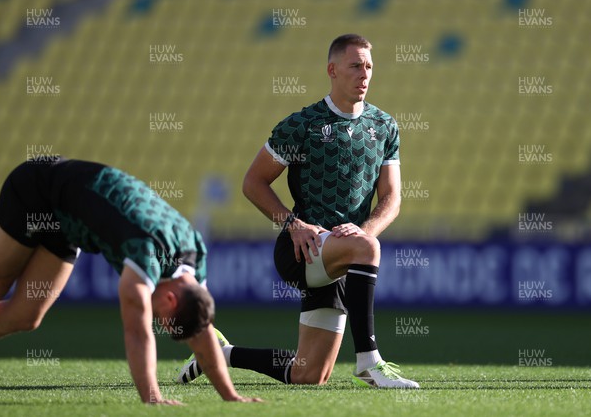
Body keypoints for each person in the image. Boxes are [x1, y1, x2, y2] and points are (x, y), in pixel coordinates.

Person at [177, 34, 419, 389]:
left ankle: (219, 352)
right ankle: (369, 361)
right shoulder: (302, 124)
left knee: (308, 375)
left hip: (342, 256)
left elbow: (392, 199)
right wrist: (292, 224)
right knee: (368, 249)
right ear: (332, 70)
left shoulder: (384, 126)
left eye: (369, 66)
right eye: (355, 66)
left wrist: (363, 232)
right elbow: (253, 182)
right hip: (302, 249)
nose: (364, 74)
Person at [0, 157, 261, 404]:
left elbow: (202, 333)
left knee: (26, 316)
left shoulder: (195, 258)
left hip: (66, 220)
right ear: (170, 298)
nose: (155, 318)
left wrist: (231, 397)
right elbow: (137, 332)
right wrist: (153, 398)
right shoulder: (145, 254)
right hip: (38, 189)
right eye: (161, 318)